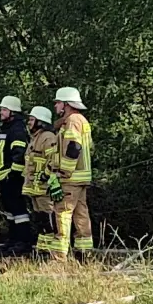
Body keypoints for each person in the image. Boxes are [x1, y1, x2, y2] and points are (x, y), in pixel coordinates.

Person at [51, 86, 94, 259]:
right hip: (81, 178)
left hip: (71, 178)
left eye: (58, 102)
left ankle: (59, 258)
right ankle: (83, 254)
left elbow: (73, 147)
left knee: (62, 214)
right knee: (81, 214)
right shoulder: (81, 120)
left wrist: (64, 171)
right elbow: (90, 148)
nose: (56, 106)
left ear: (66, 104)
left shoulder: (72, 121)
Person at [0, 95, 33, 254]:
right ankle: (13, 240)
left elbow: (19, 153)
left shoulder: (17, 130)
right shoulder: (7, 129)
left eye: (4, 109)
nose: (1, 112)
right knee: (10, 211)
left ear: (13, 113)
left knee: (19, 211)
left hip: (13, 177)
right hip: (5, 176)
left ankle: (23, 241)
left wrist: (14, 174)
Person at [24, 105, 60, 256]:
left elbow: (53, 160)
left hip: (44, 187)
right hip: (34, 187)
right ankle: (42, 250)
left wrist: (45, 175)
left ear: (41, 122)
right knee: (40, 219)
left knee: (47, 218)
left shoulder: (48, 138)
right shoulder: (35, 138)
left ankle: (50, 250)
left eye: (32, 119)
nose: (29, 122)